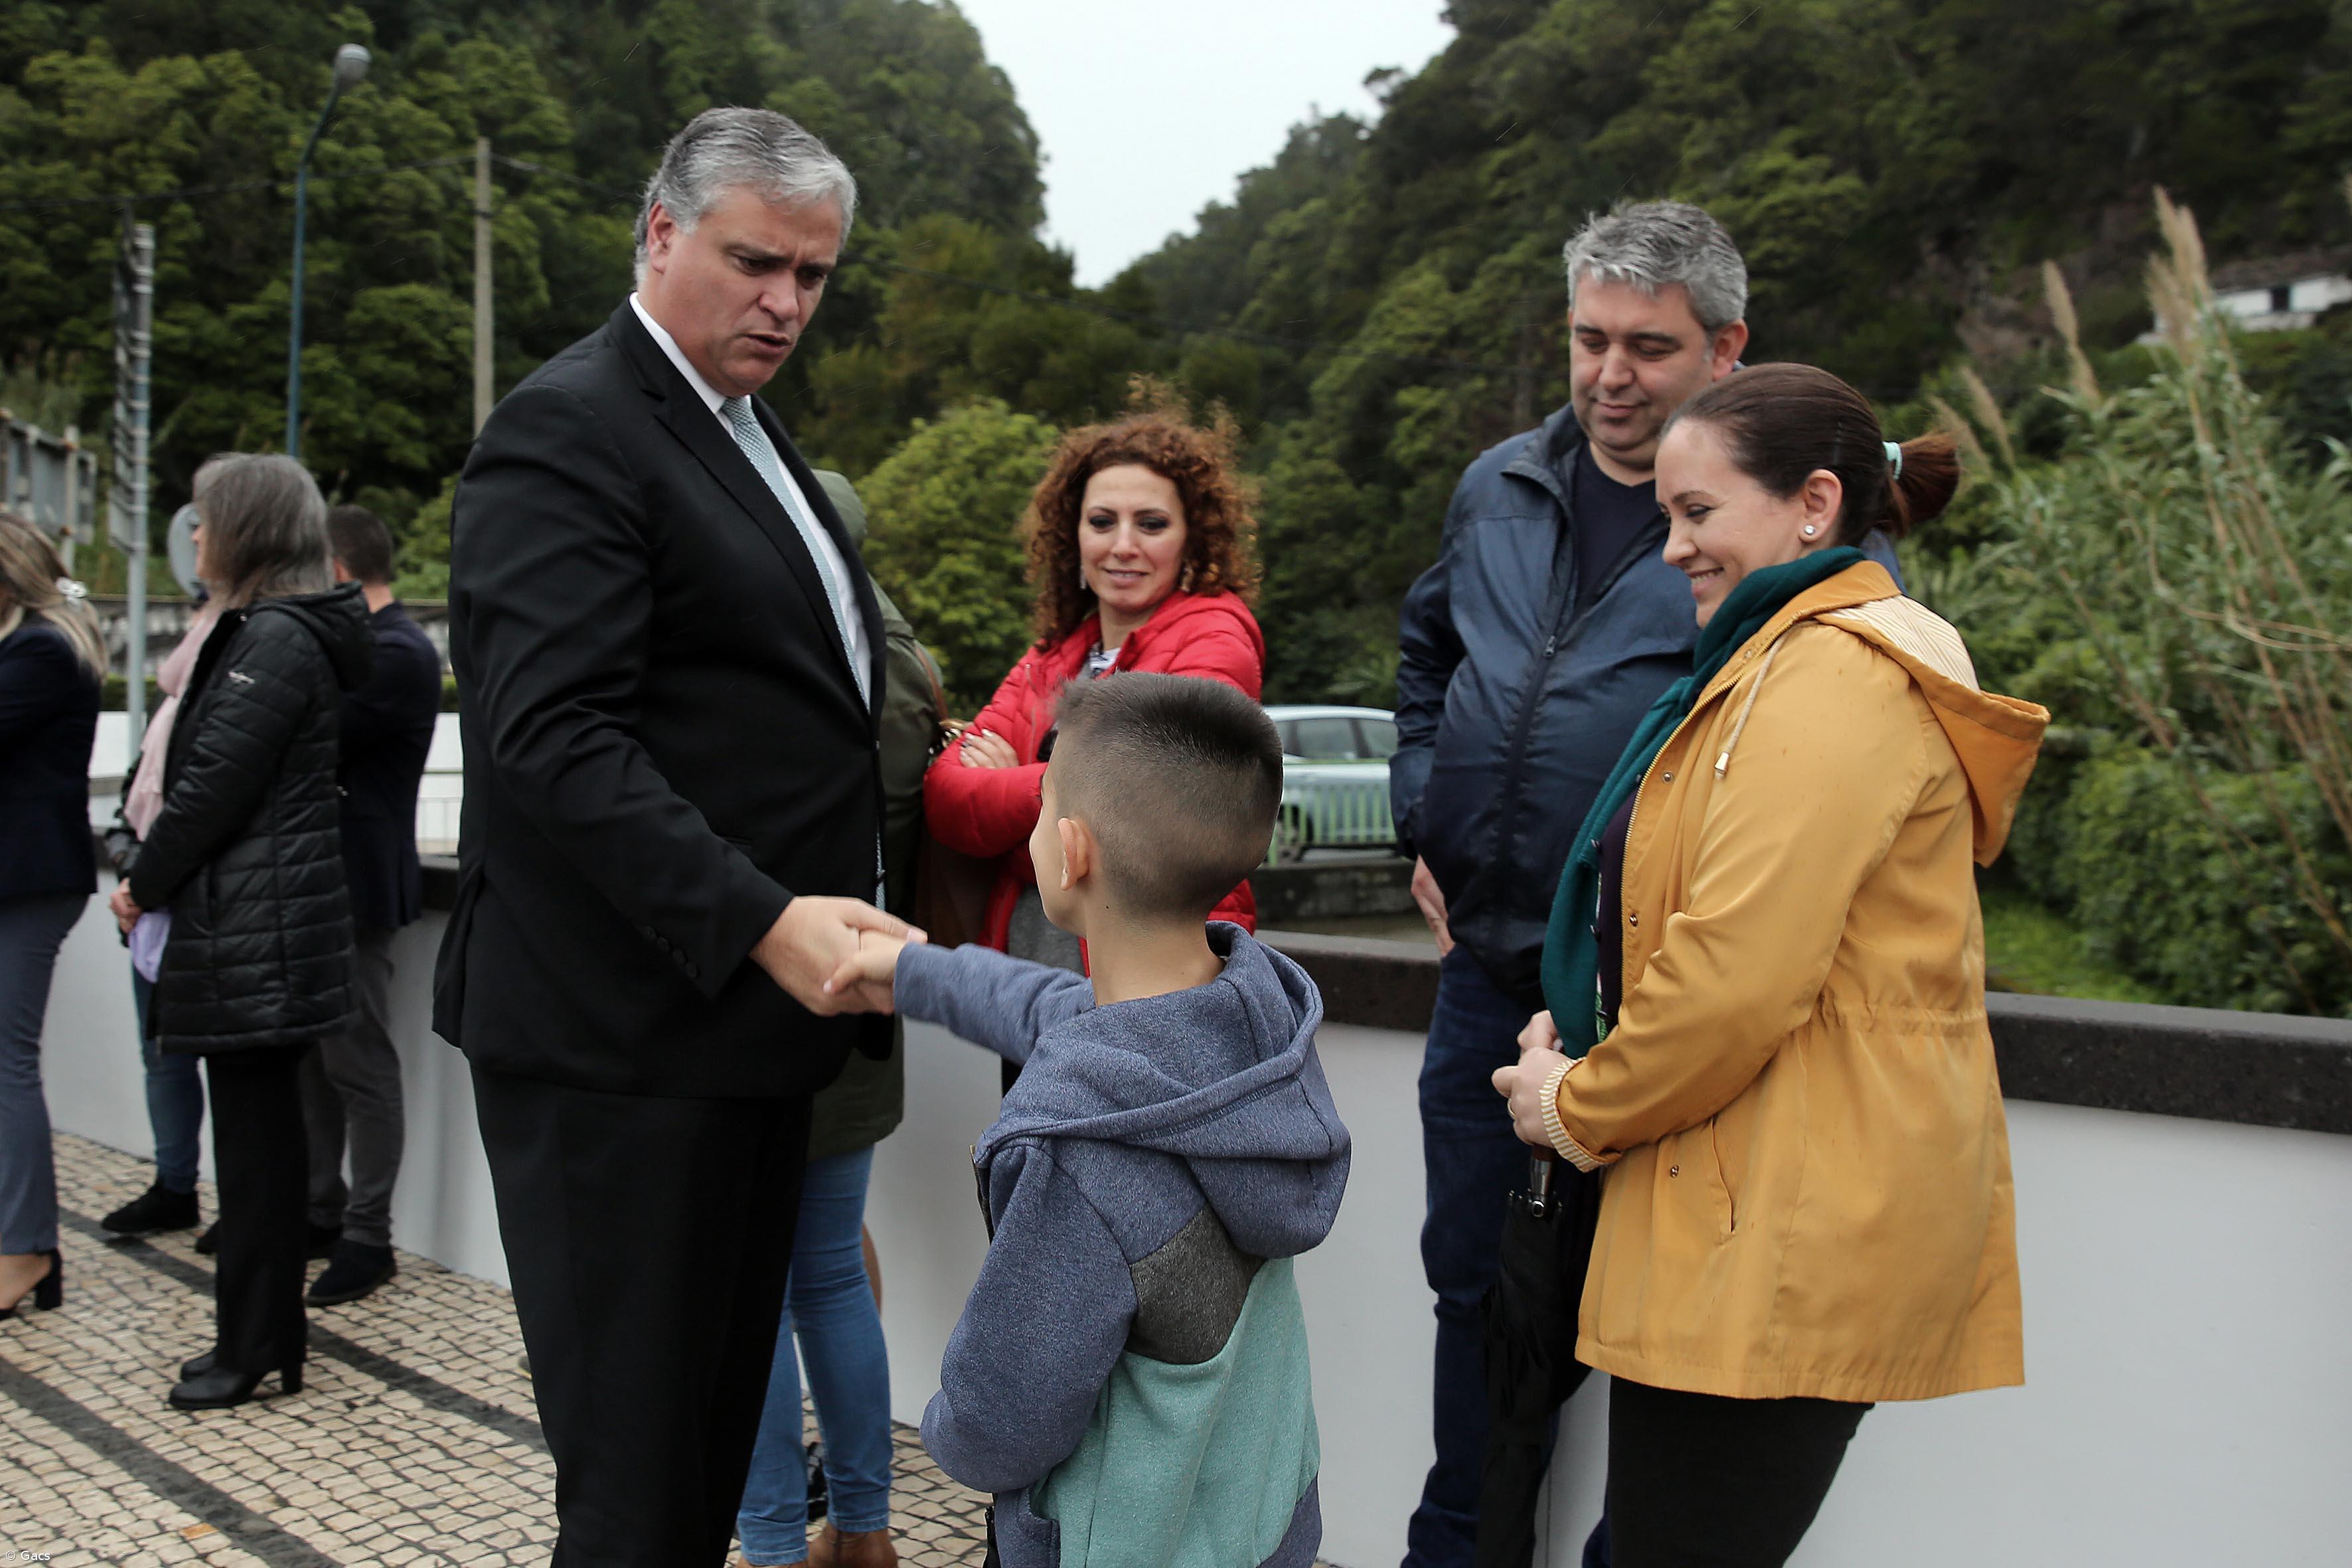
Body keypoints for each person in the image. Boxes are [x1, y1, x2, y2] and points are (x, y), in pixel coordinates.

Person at [436, 106, 915, 1564]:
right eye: (754, 261)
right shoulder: (567, 426)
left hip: (742, 1041)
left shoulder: (746, 428)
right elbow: (551, 740)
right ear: (658, 232)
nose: (785, 303)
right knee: (640, 1492)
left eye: (813, 276)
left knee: (708, 1463)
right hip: (620, 1048)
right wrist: (767, 917)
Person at [1492, 363, 2045, 1568]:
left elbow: (1735, 976)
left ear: (1811, 504)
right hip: (1737, 1202)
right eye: (1666, 518)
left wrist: (1569, 1105)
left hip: (1772, 1222)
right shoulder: (1771, 661)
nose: (1672, 550)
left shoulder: (1831, 673)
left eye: (1697, 514)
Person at [1386, 200, 1749, 1565]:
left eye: (1647, 347)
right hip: (1488, 986)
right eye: (1589, 338)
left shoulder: (1773, 516)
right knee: (1475, 1303)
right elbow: (1425, 653)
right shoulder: (1500, 482)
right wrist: (1429, 803)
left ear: (1725, 347)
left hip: (1667, 1010)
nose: (1608, 375)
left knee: (1664, 1330)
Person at [830, 673, 1350, 1568]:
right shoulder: (1246, 1031)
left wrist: (944, 1425)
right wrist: (911, 970)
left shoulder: (1086, 1154)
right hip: (1259, 1524)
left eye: (1039, 802)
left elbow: (1000, 1422)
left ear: (1069, 852)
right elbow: (1053, 1007)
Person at [108, 454, 374, 1407]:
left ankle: (255, 1343)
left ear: (249, 529)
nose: (193, 535)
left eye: (204, 519)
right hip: (262, 917)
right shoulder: (271, 632)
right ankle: (259, 1335)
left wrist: (142, 878)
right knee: (258, 1150)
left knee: (259, 1160)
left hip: (260, 922)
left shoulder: (276, 639)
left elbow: (211, 784)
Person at [733, 472, 926, 1568]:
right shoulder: (900, 660)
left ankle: (767, 1541)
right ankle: (863, 1530)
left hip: (764, 992)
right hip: (869, 995)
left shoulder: (772, 650)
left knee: (754, 1286)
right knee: (833, 1275)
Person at [924, 399, 1265, 973]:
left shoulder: (1214, 636)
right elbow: (947, 801)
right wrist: (1074, 789)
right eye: (1102, 521)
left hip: (1151, 979)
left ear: (1192, 539)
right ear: (1073, 536)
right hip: (1030, 971)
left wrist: (1012, 789)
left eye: (1151, 524)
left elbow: (1147, 802)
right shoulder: (1053, 655)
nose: (1122, 545)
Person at [297, 504, 441, 1307]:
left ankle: (367, 1232)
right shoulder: (373, 646)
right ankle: (323, 1208)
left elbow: (311, 730)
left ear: (339, 571)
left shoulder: (397, 653)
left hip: (357, 878)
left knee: (358, 1061)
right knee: (322, 1058)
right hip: (328, 877)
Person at [0, 512, 105, 1320]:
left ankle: (28, 1249)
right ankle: (27, 1240)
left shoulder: (42, 651)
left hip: (29, 881)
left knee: (7, 1063)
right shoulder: (28, 644)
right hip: (19, 879)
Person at [100, 584, 221, 1245]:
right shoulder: (167, 717)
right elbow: (127, 809)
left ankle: (234, 1201)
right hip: (150, 911)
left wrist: (143, 883)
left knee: (226, 1071)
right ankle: (174, 1185)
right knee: (163, 1061)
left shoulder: (217, 713)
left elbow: (204, 814)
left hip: (193, 907)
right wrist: (131, 875)